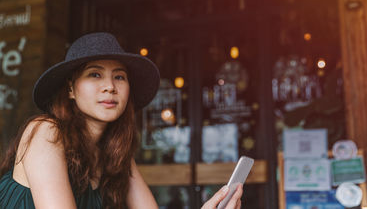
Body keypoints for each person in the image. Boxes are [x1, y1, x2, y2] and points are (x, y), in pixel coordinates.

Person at [0, 32, 243, 208]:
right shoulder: (45, 132)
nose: (109, 87)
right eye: (95, 74)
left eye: (119, 77)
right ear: (71, 89)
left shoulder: (114, 153)